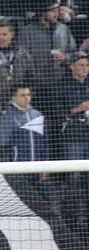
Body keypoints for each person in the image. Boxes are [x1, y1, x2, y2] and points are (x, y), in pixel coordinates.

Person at [0, 85, 50, 196]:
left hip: (38, 169)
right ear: (14, 98)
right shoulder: (7, 117)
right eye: (22, 95)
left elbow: (45, 144)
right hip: (18, 170)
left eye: (28, 95)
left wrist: (45, 167)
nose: (26, 98)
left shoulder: (38, 115)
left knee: (45, 200)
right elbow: (2, 146)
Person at [55, 51, 89, 223]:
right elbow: (54, 114)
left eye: (87, 65)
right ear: (72, 67)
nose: (85, 68)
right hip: (73, 139)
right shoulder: (62, 85)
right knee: (73, 180)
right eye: (81, 65)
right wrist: (76, 109)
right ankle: (71, 220)